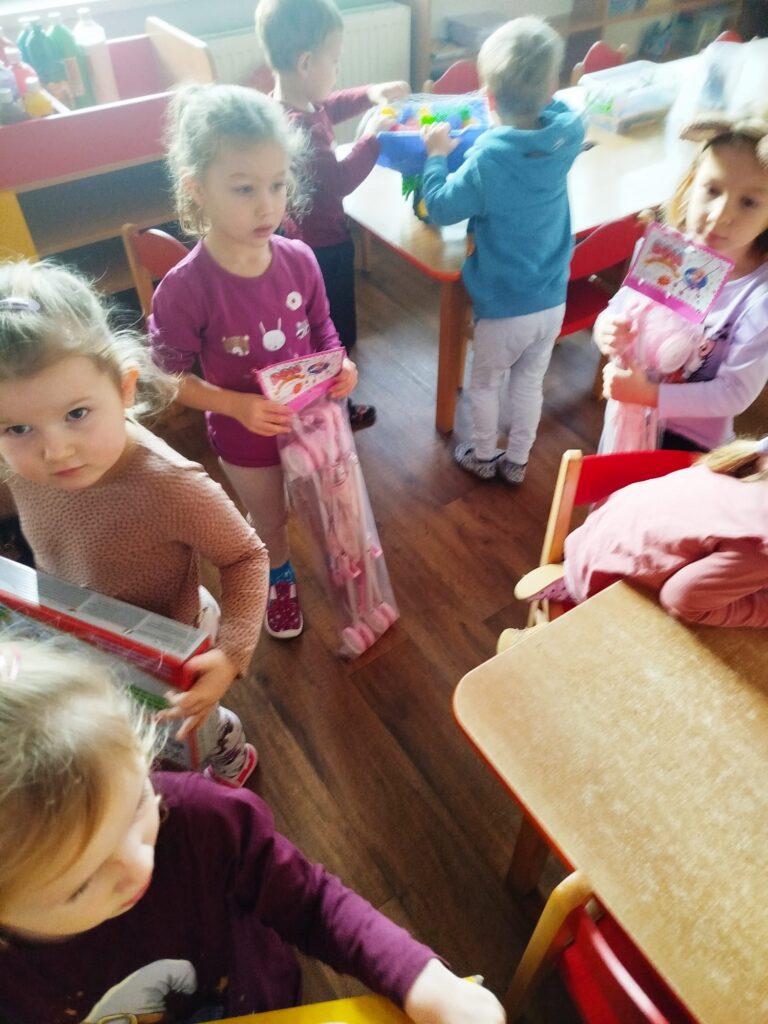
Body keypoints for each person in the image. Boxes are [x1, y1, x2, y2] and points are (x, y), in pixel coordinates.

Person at [0, 637, 507, 1024]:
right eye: (81, 883)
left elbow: (312, 902)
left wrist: (421, 979)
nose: (138, 864)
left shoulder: (198, 821)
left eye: (135, 806)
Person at [0, 260, 269, 788]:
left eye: (77, 414)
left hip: (174, 637)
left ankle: (230, 752)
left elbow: (246, 555)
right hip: (85, 627)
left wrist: (230, 653)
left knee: (192, 726)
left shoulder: (170, 484)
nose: (56, 451)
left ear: (124, 389)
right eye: (18, 428)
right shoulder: (17, 463)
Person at [150, 83, 359, 641]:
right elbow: (167, 377)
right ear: (197, 189)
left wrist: (340, 365)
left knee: (323, 501)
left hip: (313, 420)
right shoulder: (185, 288)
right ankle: (278, 572)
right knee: (269, 519)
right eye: (244, 188)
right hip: (246, 437)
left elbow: (322, 328)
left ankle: (331, 555)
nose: (267, 205)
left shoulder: (301, 259)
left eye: (277, 184)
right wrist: (236, 406)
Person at [420, 16, 584, 484]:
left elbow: (440, 207)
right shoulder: (567, 136)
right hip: (552, 299)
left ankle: (483, 455)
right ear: (551, 88)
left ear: (488, 99)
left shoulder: (487, 162)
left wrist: (436, 156)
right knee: (529, 383)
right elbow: (558, 111)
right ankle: (517, 461)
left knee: (487, 384)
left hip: (504, 307)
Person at [255, 0, 410, 430]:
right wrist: (373, 137)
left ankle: (328, 400)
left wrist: (370, 93)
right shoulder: (300, 128)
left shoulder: (288, 105)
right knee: (336, 333)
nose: (338, 70)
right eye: (335, 60)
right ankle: (335, 407)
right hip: (324, 249)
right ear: (306, 62)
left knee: (317, 331)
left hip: (302, 241)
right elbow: (340, 180)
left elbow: (331, 106)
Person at [597, 111, 768, 452]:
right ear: (691, 185)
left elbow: (734, 393)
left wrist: (650, 395)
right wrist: (606, 329)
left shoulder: (758, 298)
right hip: (628, 416)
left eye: (749, 202)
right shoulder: (667, 251)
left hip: (688, 444)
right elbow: (620, 307)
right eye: (712, 190)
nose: (720, 215)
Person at [522, 436, 768, 627]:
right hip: (603, 587)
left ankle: (566, 585)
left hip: (590, 545)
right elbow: (681, 600)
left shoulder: (749, 467)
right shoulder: (759, 545)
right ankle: (543, 633)